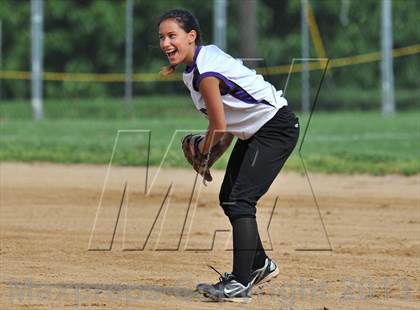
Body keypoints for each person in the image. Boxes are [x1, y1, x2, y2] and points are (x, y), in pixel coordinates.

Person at [158, 9, 299, 303]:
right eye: (162, 37)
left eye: (172, 35)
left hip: (275, 128)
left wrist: (203, 151)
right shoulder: (198, 65)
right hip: (258, 130)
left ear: (191, 36)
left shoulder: (206, 73)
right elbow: (230, 124)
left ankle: (240, 283)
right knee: (230, 197)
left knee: (240, 200)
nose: (166, 43)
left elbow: (219, 126)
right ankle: (259, 265)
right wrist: (211, 155)